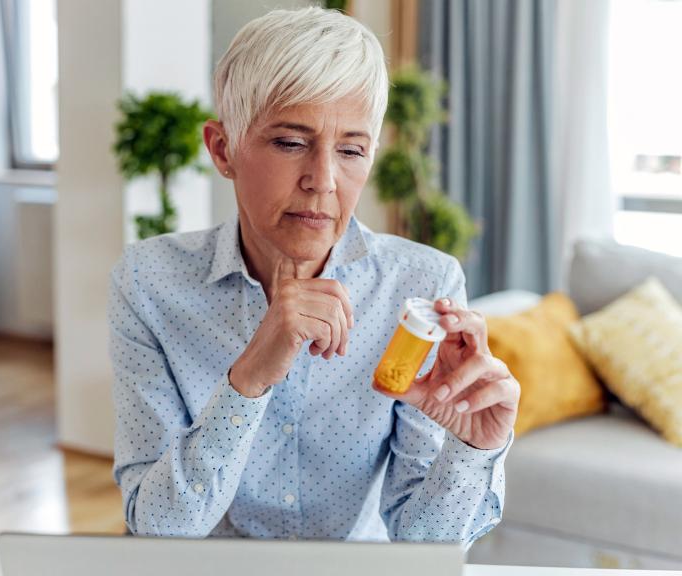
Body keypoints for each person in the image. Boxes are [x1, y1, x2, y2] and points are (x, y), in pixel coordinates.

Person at [109, 6, 519, 547]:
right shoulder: (149, 282)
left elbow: (422, 547)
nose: (323, 180)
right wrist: (250, 376)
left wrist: (474, 449)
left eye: (351, 150)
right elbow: (158, 530)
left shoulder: (423, 285)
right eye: (290, 142)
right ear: (222, 148)